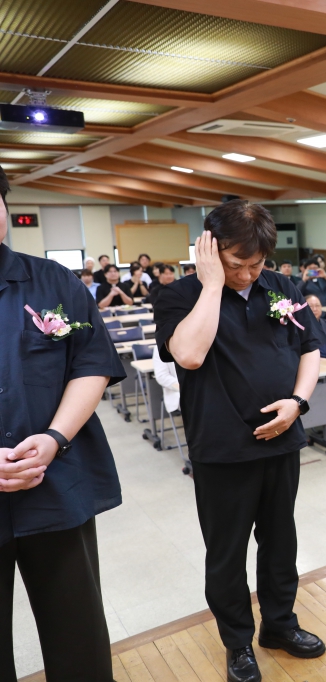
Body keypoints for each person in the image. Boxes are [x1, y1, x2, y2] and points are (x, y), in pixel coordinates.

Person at [154, 200, 326, 682]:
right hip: (223, 447)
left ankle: (280, 625)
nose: (249, 275)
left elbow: (310, 349)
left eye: (257, 264)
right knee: (227, 552)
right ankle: (237, 642)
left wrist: (298, 401)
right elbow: (188, 355)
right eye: (236, 264)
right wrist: (213, 283)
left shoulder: (282, 287)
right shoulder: (180, 295)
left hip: (283, 437)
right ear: (208, 250)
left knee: (280, 542)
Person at [0, 167, 126, 680]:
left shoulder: (51, 280)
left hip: (55, 484)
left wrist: (55, 437)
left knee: (77, 633)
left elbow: (91, 362)